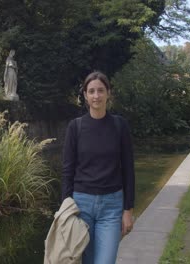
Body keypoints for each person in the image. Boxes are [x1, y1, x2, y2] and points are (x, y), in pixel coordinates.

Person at [62, 71, 135, 264]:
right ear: (85, 95)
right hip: (81, 205)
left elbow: (128, 169)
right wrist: (66, 208)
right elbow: (68, 171)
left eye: (101, 91)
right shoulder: (75, 127)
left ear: (108, 93)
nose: (96, 96)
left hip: (112, 207)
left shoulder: (120, 126)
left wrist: (128, 209)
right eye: (91, 91)